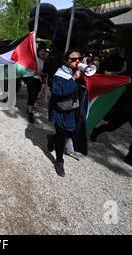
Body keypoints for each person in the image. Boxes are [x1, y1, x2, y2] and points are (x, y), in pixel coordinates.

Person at [47, 49, 88, 177]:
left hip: (73, 109)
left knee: (71, 131)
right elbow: (58, 91)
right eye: (74, 59)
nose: (77, 61)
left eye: (79, 59)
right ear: (66, 61)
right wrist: (74, 79)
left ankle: (52, 138)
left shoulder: (81, 72)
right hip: (60, 110)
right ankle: (59, 161)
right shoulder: (59, 74)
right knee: (62, 135)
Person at [23, 47, 47, 123]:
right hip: (31, 79)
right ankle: (30, 114)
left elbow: (46, 73)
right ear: (38, 52)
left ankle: (29, 106)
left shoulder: (46, 61)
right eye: (41, 51)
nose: (42, 52)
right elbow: (27, 69)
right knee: (32, 95)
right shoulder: (34, 59)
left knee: (35, 96)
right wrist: (35, 72)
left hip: (39, 81)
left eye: (44, 51)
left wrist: (43, 74)